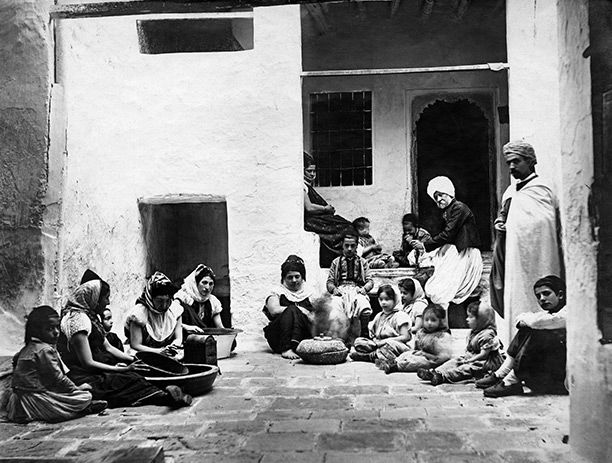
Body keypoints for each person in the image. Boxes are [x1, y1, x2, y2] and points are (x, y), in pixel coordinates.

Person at [57, 278, 192, 408]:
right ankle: (165, 397)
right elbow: (88, 363)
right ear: (95, 300)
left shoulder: (90, 317)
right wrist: (123, 368)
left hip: (99, 366)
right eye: (105, 298)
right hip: (85, 374)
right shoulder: (76, 321)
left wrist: (136, 360)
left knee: (137, 371)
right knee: (124, 379)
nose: (108, 302)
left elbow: (108, 347)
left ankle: (166, 393)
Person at [490, 141, 563, 328]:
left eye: (517, 161)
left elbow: (544, 225)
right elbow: (505, 218)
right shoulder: (510, 191)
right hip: (513, 260)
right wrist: (502, 226)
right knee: (516, 303)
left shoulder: (541, 189)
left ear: (530, 161)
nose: (512, 167)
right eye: (509, 163)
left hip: (539, 259)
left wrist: (514, 225)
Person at [2, 306, 107, 423]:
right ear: (37, 331)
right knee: (85, 396)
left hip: (18, 402)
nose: (56, 332)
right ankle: (82, 409)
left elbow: (16, 362)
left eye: (57, 327)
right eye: (50, 329)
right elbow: (58, 378)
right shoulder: (44, 350)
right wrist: (77, 389)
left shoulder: (27, 348)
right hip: (35, 400)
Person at [477, 276, 568, 397]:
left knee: (538, 331)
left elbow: (536, 322)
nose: (542, 299)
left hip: (562, 377)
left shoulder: (568, 312)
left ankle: (511, 381)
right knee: (529, 329)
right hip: (548, 373)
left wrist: (527, 321)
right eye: (538, 296)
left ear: (560, 295)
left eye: (546, 294)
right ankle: (501, 374)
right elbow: (523, 318)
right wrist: (527, 321)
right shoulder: (549, 314)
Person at [412, 176, 483, 308]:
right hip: (455, 251)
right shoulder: (447, 212)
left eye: (441, 195)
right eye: (436, 197)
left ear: (449, 192)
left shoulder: (459, 208)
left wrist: (425, 245)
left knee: (442, 286)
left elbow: (448, 234)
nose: (439, 199)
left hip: (466, 252)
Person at [418, 302, 504, 385]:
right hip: (471, 357)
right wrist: (465, 358)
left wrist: (470, 360)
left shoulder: (487, 335)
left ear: (481, 319)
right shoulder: (474, 332)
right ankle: (435, 372)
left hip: (484, 363)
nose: (467, 319)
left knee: (465, 369)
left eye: (470, 317)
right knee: (454, 361)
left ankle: (442, 376)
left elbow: (484, 355)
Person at [303, 151, 353, 266]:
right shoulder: (302, 186)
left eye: (314, 171)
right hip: (312, 221)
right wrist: (326, 209)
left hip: (318, 219)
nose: (312, 174)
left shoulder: (308, 185)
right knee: (346, 228)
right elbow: (309, 207)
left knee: (346, 225)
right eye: (308, 171)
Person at [326, 230, 374, 344]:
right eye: (346, 245)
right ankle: (339, 337)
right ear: (342, 246)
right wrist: (334, 289)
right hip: (341, 291)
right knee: (334, 307)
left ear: (357, 246)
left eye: (352, 246)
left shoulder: (363, 262)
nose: (349, 249)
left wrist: (364, 289)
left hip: (357, 290)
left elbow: (370, 281)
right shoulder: (336, 262)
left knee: (364, 305)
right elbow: (330, 282)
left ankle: (364, 334)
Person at [263, 255, 314, 360]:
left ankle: (296, 346)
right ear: (283, 278)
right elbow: (274, 310)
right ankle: (286, 349)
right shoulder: (277, 292)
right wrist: (300, 309)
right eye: (289, 277)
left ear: (302, 277)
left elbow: (316, 318)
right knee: (291, 309)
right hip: (278, 338)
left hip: (303, 340)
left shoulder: (310, 293)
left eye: (297, 276)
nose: (294, 280)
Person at [376, 304, 452, 374]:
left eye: (433, 320)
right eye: (426, 320)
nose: (429, 323)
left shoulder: (442, 336)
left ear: (440, 321)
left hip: (431, 360)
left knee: (419, 362)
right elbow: (416, 349)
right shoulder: (421, 332)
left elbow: (443, 358)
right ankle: (393, 362)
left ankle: (396, 367)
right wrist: (414, 353)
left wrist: (426, 355)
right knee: (406, 354)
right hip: (420, 355)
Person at [125, 272, 182, 356]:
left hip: (166, 351)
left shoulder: (175, 310)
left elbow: (178, 338)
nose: (164, 305)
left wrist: (172, 347)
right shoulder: (139, 314)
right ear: (150, 298)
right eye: (159, 301)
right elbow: (136, 345)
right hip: (146, 352)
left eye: (167, 300)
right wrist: (159, 351)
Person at [350, 285, 411, 362]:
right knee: (359, 341)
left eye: (387, 299)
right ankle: (375, 354)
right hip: (379, 345)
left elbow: (406, 337)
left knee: (390, 345)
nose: (383, 302)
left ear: (395, 300)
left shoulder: (400, 316)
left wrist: (386, 341)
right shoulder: (379, 316)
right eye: (381, 299)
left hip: (396, 346)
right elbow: (373, 335)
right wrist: (375, 341)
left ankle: (370, 356)